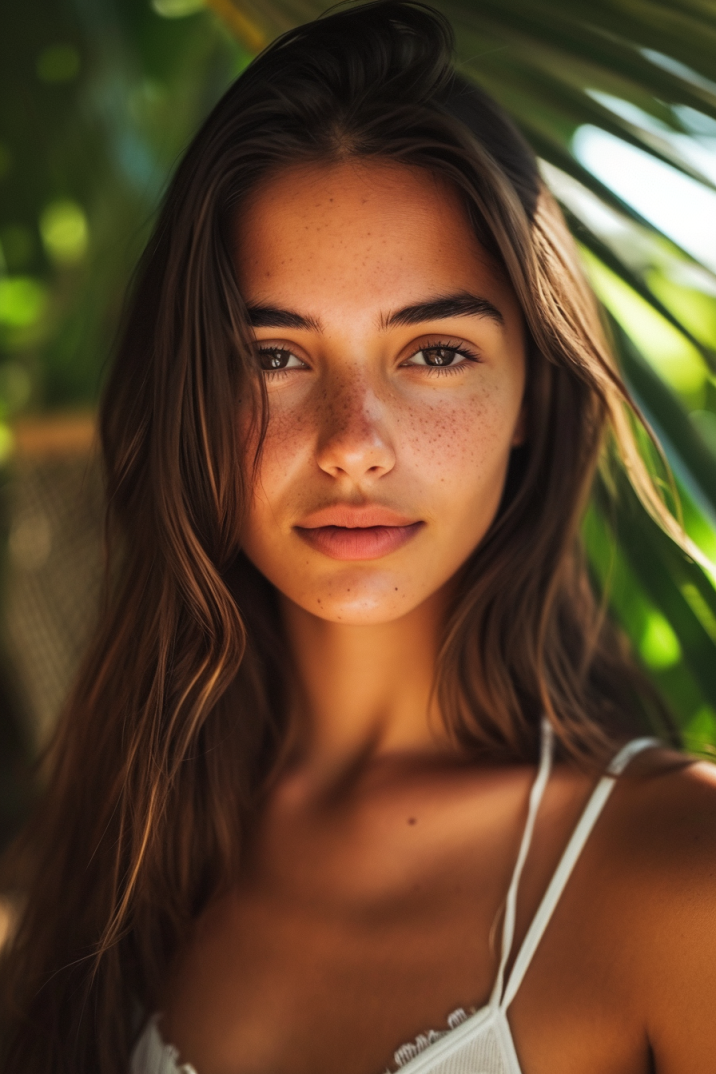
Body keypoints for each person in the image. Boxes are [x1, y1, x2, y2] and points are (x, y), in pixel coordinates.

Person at [3, 3, 716, 1072]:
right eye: (274, 357)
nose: (351, 446)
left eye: (433, 353)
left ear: (532, 394)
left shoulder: (676, 873)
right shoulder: (128, 841)